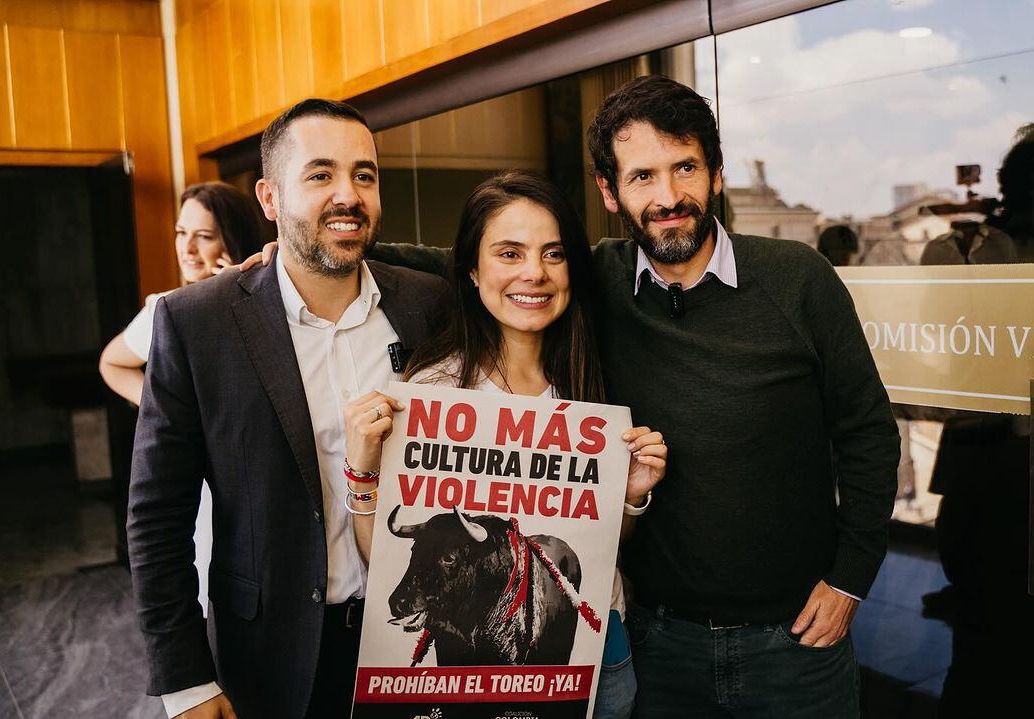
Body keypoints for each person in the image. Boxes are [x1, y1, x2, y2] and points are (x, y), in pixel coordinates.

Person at [364, 76, 900, 717]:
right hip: (658, 641)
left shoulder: (799, 279)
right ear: (609, 191)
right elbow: (473, 261)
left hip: (796, 641)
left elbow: (868, 432)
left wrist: (851, 578)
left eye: (685, 168)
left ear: (716, 173)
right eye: (642, 176)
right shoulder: (598, 280)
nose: (668, 197)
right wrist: (315, 254)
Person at [127, 98, 448, 719]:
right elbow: (156, 518)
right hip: (277, 653)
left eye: (363, 175)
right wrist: (186, 680)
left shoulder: (427, 304)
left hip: (417, 642)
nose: (348, 195)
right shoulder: (198, 323)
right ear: (269, 198)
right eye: (320, 174)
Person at [343, 171, 667, 719]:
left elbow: (601, 543)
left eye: (553, 254)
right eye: (510, 253)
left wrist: (631, 496)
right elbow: (389, 556)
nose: (534, 273)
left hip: (595, 654)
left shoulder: (594, 383)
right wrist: (362, 469)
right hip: (475, 661)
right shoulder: (433, 392)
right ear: (472, 269)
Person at [100, 181, 262, 615]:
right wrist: (170, 412)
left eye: (203, 236)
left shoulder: (269, 301)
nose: (187, 248)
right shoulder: (167, 308)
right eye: (180, 232)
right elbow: (111, 363)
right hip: (202, 477)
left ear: (232, 240)